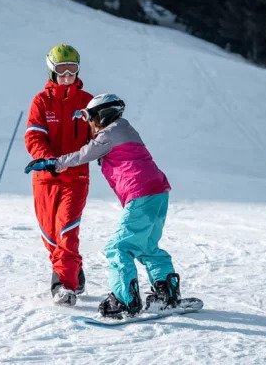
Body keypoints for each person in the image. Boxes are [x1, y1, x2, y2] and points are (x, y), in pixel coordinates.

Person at [25, 93, 182, 319]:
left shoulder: (109, 134)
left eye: (90, 118)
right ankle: (166, 292)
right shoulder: (125, 128)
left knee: (117, 248)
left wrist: (54, 162)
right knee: (147, 246)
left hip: (141, 195)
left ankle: (124, 300)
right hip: (158, 193)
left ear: (101, 115)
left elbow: (82, 155)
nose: (89, 124)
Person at [25, 44, 93, 306]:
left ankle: (63, 285)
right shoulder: (41, 101)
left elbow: (99, 136)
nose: (67, 76)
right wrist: (47, 159)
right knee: (50, 235)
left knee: (67, 228)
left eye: (72, 71)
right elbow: (34, 135)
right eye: (61, 71)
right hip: (46, 177)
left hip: (76, 177)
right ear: (52, 72)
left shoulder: (87, 101)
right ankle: (73, 269)